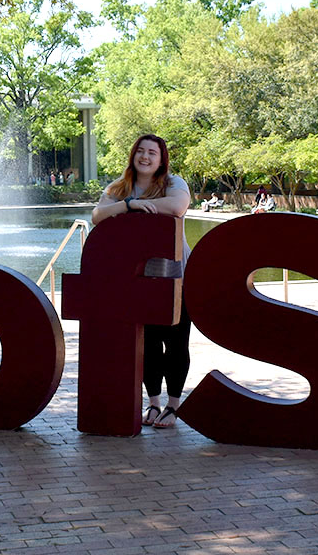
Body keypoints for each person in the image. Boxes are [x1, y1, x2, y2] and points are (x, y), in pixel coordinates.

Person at [91, 134, 192, 429]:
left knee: (176, 343)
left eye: (152, 153)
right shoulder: (119, 188)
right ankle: (153, 403)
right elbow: (98, 215)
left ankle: (173, 407)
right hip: (139, 279)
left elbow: (177, 207)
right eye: (141, 151)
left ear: (162, 160)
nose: (145, 157)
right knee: (147, 344)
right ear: (133, 155)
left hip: (176, 275)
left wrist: (140, 205)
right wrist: (129, 205)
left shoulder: (174, 183)